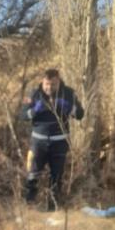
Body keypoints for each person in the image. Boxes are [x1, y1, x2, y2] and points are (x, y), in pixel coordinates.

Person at [22, 69, 84, 210]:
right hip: (38, 142)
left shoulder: (68, 93)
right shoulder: (34, 94)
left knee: (56, 176)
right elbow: (23, 115)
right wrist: (35, 110)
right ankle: (29, 207)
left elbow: (80, 114)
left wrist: (69, 108)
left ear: (59, 81)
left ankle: (53, 209)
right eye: (47, 84)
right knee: (32, 174)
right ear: (43, 81)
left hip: (60, 142)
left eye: (53, 84)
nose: (49, 88)